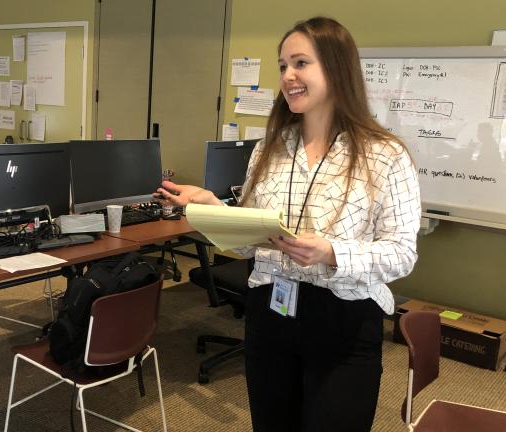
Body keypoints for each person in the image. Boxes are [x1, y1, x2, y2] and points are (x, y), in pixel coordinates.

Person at [158, 17, 421, 431]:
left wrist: (331, 252)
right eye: (282, 65)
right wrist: (214, 209)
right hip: (270, 314)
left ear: (336, 69)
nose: (288, 76)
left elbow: (403, 253)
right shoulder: (270, 148)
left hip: (344, 320)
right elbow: (249, 243)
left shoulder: (385, 155)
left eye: (301, 63)